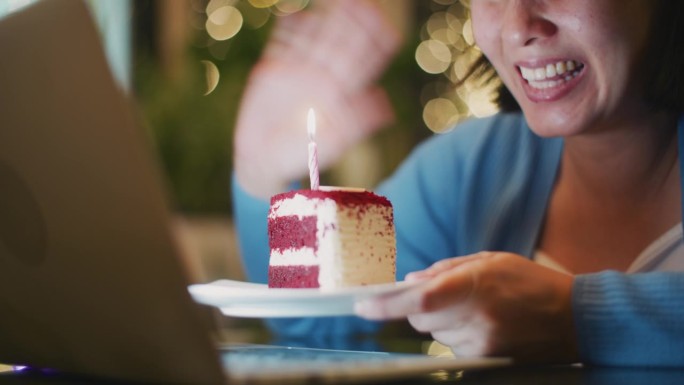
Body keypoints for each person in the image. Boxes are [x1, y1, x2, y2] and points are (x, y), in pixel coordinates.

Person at [232, 0, 684, 367]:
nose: (516, 25)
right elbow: (322, 325)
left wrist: (575, 316)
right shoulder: (476, 164)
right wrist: (259, 171)